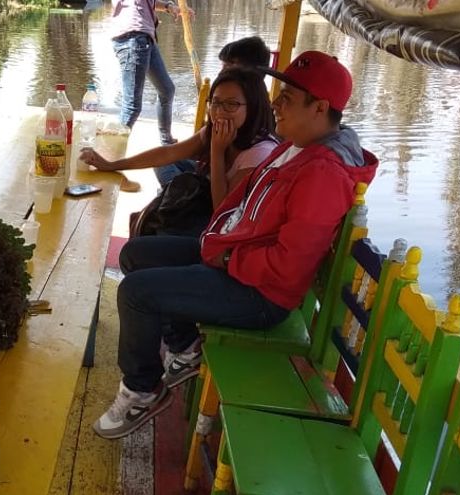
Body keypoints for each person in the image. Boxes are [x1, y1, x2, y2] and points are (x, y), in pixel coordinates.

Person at [93, 51, 379, 439]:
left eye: (287, 99)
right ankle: (185, 347)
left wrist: (225, 255)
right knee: (135, 253)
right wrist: (218, 244)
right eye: (277, 95)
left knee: (136, 293)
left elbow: (287, 268)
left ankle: (143, 390)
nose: (275, 103)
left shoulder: (322, 175)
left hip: (260, 294)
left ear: (320, 108)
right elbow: (241, 205)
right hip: (234, 255)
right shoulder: (294, 146)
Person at [80, 68, 278, 204]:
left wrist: (216, 152)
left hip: (221, 234)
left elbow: (222, 210)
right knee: (162, 172)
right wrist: (111, 165)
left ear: (252, 108)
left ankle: (175, 200)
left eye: (232, 104)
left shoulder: (259, 153)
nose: (220, 112)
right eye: (215, 103)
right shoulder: (213, 131)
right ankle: (174, 199)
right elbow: (167, 154)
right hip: (207, 201)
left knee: (137, 248)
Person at [111, 0, 193, 145]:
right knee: (132, 106)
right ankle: (109, 154)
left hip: (145, 39)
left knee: (167, 90)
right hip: (134, 38)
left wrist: (169, 7)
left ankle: (167, 142)